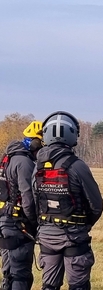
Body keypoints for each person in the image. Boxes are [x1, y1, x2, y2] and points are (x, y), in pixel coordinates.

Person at [32, 111, 103, 290]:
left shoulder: (37, 167)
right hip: (74, 236)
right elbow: (96, 205)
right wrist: (83, 224)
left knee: (49, 285)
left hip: (47, 236)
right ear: (73, 135)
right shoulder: (77, 166)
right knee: (78, 285)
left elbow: (35, 201)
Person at [0, 121, 43, 290]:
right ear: (35, 142)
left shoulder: (7, 157)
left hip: (4, 221)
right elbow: (28, 198)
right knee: (20, 275)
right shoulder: (24, 162)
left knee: (9, 272)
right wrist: (34, 222)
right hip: (18, 224)